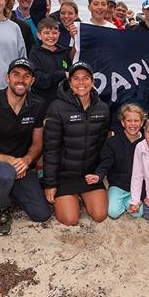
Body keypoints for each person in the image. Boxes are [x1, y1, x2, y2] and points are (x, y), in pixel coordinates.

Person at [0, 59, 51, 235]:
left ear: (32, 81)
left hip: (20, 165)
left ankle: (0, 190)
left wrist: (27, 160)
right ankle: (1, 209)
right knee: (5, 174)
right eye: (16, 75)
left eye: (26, 76)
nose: (21, 80)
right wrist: (9, 161)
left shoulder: (37, 104)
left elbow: (38, 143)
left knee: (41, 214)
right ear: (7, 77)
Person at [42, 61, 110, 226]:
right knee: (71, 220)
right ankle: (69, 198)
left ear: (93, 81)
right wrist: (50, 183)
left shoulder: (102, 108)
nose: (81, 83)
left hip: (89, 175)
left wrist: (100, 174)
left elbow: (103, 147)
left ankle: (83, 196)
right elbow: (50, 149)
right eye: (76, 79)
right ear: (69, 83)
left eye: (86, 78)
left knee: (100, 215)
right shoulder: (56, 107)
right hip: (64, 176)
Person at [96, 103, 146, 219]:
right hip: (118, 185)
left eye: (136, 120)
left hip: (138, 187)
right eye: (129, 120)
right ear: (123, 123)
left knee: (137, 213)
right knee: (113, 212)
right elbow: (105, 163)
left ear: (142, 123)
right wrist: (98, 175)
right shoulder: (112, 142)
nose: (132, 124)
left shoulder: (146, 143)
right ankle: (117, 198)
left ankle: (130, 202)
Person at [28, 17, 72, 106]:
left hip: (64, 102)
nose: (51, 36)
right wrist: (62, 74)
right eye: (46, 33)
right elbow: (38, 80)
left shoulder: (64, 52)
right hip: (43, 103)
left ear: (59, 34)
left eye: (54, 33)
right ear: (39, 35)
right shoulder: (34, 54)